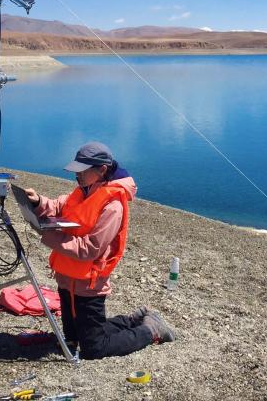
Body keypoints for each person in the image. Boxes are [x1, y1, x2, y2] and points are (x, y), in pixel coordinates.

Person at [22, 141, 174, 359]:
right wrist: (38, 203)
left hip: (88, 284)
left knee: (94, 348)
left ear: (102, 170)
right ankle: (132, 319)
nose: (77, 175)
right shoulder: (84, 190)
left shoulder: (113, 206)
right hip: (67, 280)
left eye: (82, 171)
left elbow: (90, 249)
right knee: (73, 337)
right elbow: (59, 206)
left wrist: (47, 235)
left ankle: (151, 329)